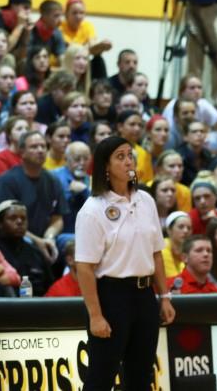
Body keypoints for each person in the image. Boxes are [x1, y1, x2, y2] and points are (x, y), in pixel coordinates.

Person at [74, 135, 175, 390]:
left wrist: (164, 297)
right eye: (120, 157)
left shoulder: (147, 201)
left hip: (144, 296)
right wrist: (95, 315)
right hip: (111, 296)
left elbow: (156, 253)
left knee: (141, 377)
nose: (129, 161)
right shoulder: (93, 209)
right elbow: (84, 268)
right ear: (105, 167)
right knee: (101, 377)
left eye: (130, 155)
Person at [0, 130, 68, 262]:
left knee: (71, 242)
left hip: (45, 237)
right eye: (34, 147)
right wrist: (38, 241)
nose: (40, 150)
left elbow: (57, 218)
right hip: (16, 236)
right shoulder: (6, 181)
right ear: (22, 152)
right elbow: (3, 223)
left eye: (43, 146)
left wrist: (49, 237)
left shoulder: (53, 180)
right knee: (27, 243)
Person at [0, 200, 55, 296]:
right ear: (0, 223)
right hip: (3, 307)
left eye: (23, 218)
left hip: (38, 307)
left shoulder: (36, 253)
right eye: (12, 218)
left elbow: (51, 289)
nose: (19, 221)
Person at [59, 0, 112, 81]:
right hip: (64, 64)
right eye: (74, 13)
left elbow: (93, 49)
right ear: (66, 14)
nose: (78, 16)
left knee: (98, 59)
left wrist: (102, 46)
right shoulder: (60, 27)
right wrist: (86, 49)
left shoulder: (87, 26)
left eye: (81, 13)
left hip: (80, 63)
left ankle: (102, 89)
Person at [161, 77, 217, 141]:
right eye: (192, 88)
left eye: (199, 87)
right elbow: (167, 131)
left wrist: (206, 133)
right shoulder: (171, 107)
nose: (197, 91)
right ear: (182, 91)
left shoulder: (203, 103)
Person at [28, 0, 67, 67]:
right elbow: (26, 57)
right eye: (56, 16)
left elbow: (62, 57)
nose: (61, 20)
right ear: (44, 15)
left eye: (61, 16)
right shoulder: (31, 31)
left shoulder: (57, 33)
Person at [0, 116, 29, 180]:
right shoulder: (0, 158)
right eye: (19, 129)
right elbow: (4, 185)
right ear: (9, 135)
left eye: (27, 129)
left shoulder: (31, 156)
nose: (25, 132)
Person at [162, 210, 192, 277]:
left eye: (189, 228)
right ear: (169, 230)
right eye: (181, 227)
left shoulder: (190, 249)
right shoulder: (163, 247)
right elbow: (174, 279)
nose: (186, 231)